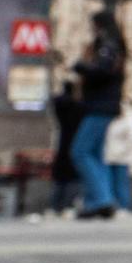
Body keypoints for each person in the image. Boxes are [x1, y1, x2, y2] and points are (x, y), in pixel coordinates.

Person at [70, 11, 127, 220]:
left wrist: (80, 67)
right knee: (95, 154)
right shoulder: (112, 43)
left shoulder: (107, 44)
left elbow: (102, 71)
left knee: (80, 151)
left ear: (99, 25)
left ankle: (102, 200)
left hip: (101, 106)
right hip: (104, 105)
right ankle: (98, 201)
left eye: (93, 25)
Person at [50, 81, 84, 218]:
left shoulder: (61, 105)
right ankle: (68, 205)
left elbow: (56, 100)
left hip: (63, 143)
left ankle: (56, 206)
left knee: (61, 178)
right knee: (73, 177)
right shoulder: (78, 106)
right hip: (76, 142)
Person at [103, 101, 132, 215]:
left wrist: (123, 151)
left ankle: (124, 206)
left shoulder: (129, 115)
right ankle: (111, 205)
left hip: (122, 156)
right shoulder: (107, 110)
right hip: (107, 154)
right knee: (108, 182)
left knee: (120, 182)